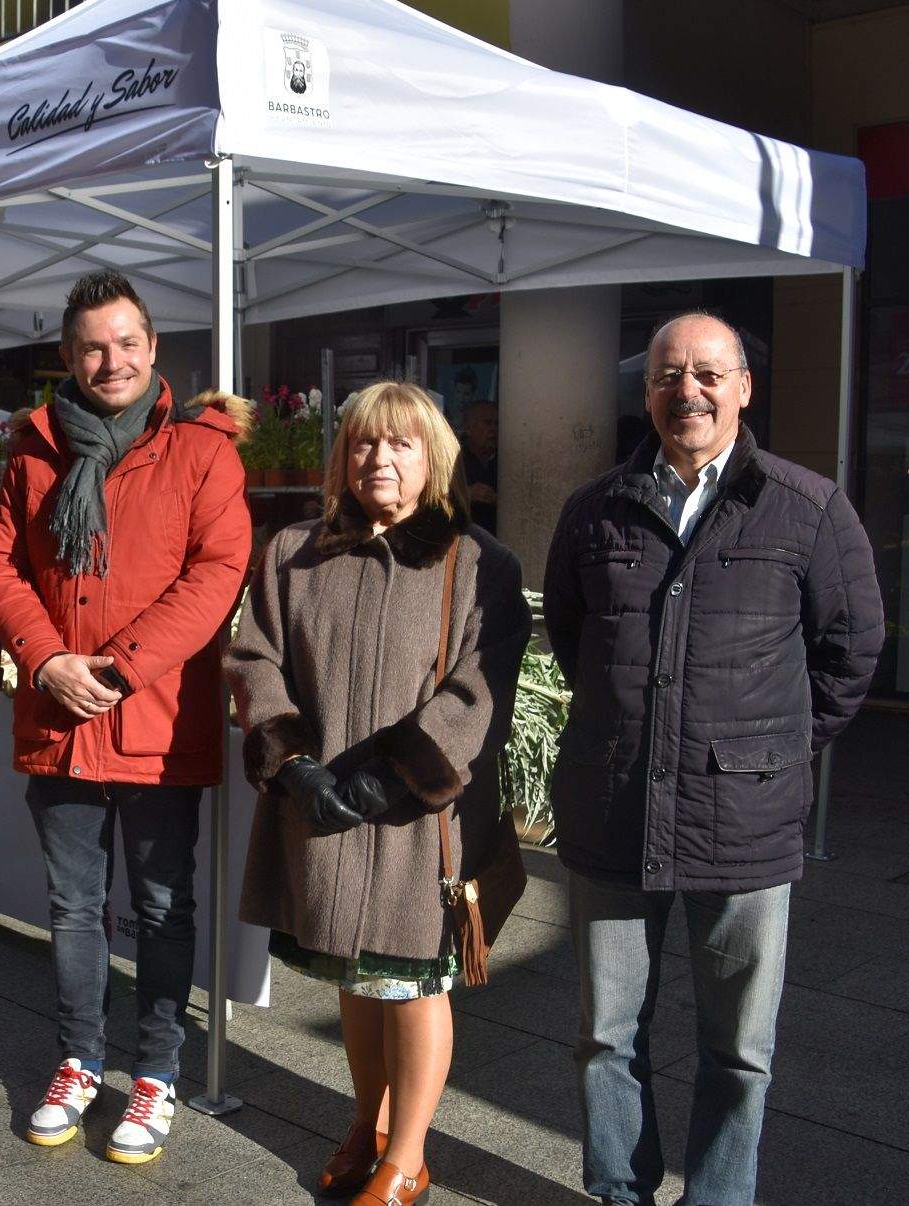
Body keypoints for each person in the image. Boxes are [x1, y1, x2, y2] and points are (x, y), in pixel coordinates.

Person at [543, 312, 882, 1206]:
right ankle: (620, 1191)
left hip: (745, 820)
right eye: (665, 376)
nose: (684, 391)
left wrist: (771, 754)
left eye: (705, 374)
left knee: (740, 1051)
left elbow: (849, 649)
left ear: (742, 388)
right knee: (607, 1034)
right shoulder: (595, 510)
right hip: (614, 808)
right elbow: (574, 640)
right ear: (645, 391)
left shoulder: (807, 508)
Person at [0, 269, 252, 1166]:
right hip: (60, 720)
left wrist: (124, 667)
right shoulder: (34, 451)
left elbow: (217, 574)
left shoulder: (203, 451)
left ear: (153, 348)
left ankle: (158, 1072)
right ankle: (80, 1058)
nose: (112, 360)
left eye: (127, 342)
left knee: (166, 909)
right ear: (67, 356)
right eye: (93, 346)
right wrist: (47, 657)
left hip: (158, 721)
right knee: (74, 906)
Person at [228, 381, 529, 1206]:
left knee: (413, 984)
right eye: (362, 443)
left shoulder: (478, 564)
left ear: (433, 456)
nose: (379, 459)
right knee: (353, 978)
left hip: (416, 822)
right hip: (317, 812)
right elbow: (255, 659)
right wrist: (293, 765)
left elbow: (477, 692)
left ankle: (409, 1156)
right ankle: (367, 1124)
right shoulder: (293, 551)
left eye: (399, 443)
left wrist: (384, 779)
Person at [459, 399, 499, 532]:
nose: (493, 429)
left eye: (497, 424)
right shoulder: (453, 460)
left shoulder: (507, 461)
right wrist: (466, 495)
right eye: (487, 423)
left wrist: (497, 500)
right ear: (468, 428)